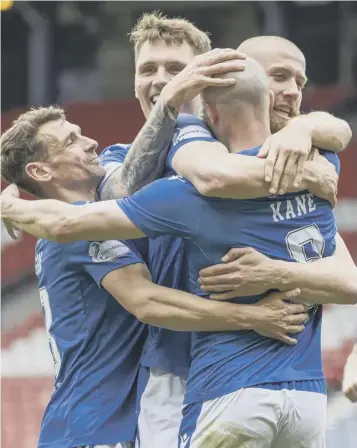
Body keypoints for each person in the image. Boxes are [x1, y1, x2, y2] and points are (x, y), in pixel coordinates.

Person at [2, 59, 357, 447]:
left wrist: (306, 133)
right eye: (70, 141)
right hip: (93, 425)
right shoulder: (77, 233)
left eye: (81, 132)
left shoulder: (128, 178)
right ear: (40, 172)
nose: (90, 142)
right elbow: (148, 301)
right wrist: (252, 316)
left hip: (141, 412)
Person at [93, 15, 352, 446]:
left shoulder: (288, 150)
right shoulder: (119, 158)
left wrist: (306, 128)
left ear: (215, 75)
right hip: (173, 371)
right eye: (147, 70)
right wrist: (307, 169)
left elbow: (346, 277)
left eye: (177, 69)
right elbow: (130, 191)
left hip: (266, 377)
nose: (161, 80)